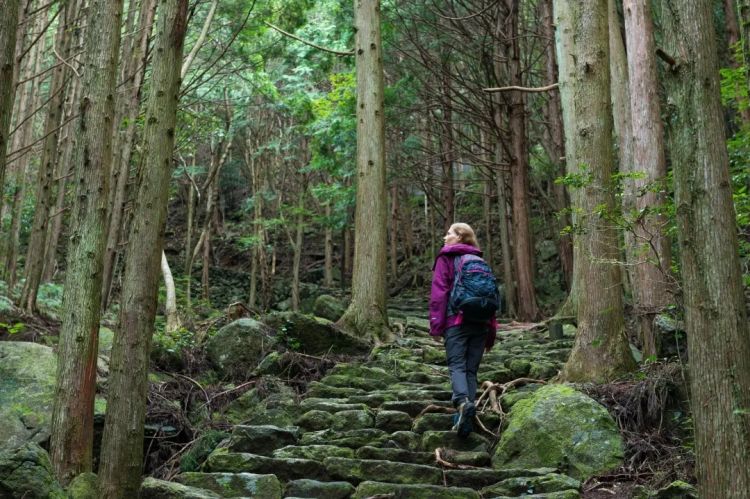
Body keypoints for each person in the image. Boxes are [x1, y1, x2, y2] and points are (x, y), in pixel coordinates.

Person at [429, 222, 497, 437]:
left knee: (456, 365)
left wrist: (436, 326)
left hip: (456, 320)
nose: (444, 237)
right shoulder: (479, 260)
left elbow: (439, 293)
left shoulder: (446, 258)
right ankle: (463, 416)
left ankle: (462, 402)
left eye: (448, 233)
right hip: (481, 323)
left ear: (459, 237)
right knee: (470, 370)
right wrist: (491, 334)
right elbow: (492, 298)